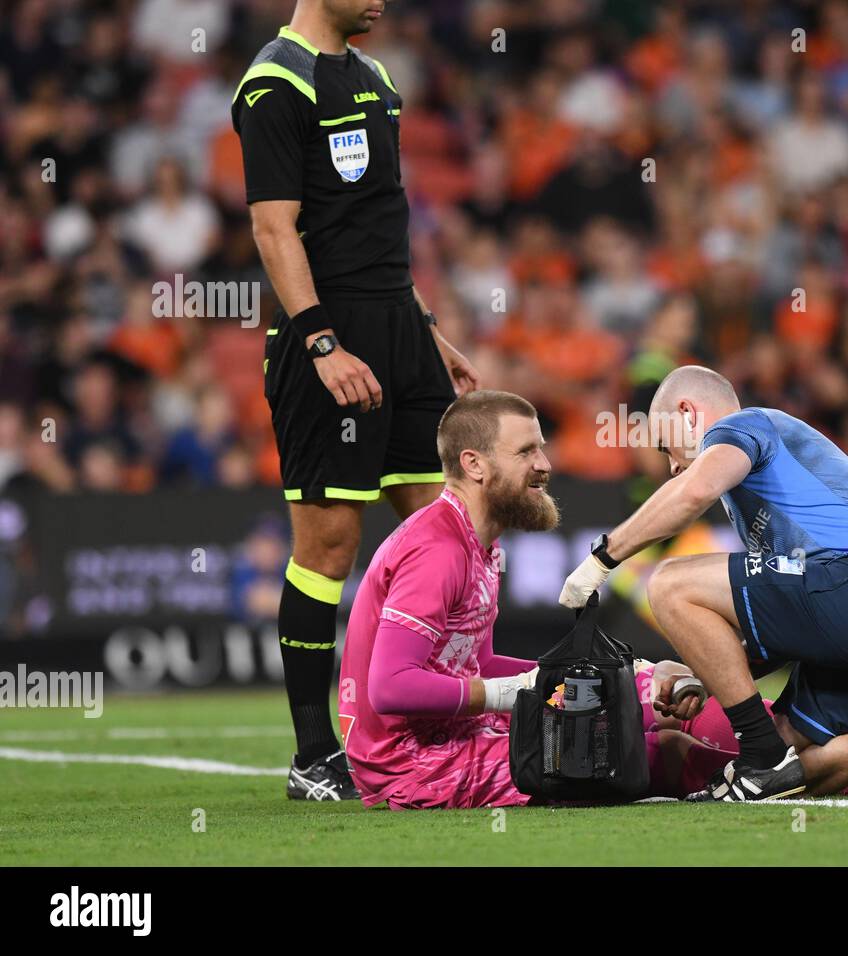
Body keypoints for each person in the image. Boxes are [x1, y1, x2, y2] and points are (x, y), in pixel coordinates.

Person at [231, 1, 481, 799]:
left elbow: (380, 230)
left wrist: (426, 329)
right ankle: (314, 754)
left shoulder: (374, 78)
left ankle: (446, 720)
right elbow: (276, 229)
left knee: (447, 530)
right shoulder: (275, 83)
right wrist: (322, 341)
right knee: (330, 549)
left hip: (401, 330)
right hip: (327, 337)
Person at [559, 365, 848, 801]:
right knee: (784, 760)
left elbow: (692, 493)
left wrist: (603, 557)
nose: (671, 466)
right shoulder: (766, 491)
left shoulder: (744, 425)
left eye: (666, 446)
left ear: (686, 411)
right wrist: (707, 676)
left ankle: (762, 756)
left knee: (668, 583)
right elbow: (787, 626)